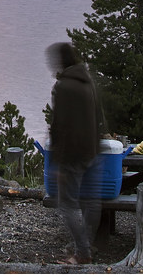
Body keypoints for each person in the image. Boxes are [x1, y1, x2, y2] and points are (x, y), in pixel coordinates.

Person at [47, 42, 101, 265]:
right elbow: (99, 117)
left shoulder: (63, 87)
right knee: (91, 202)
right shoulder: (88, 83)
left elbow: (59, 125)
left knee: (68, 205)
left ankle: (83, 253)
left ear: (61, 61)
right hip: (92, 151)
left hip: (72, 155)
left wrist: (56, 161)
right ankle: (88, 246)